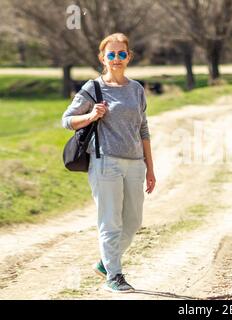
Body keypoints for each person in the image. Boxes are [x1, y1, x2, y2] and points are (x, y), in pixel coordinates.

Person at [62, 33, 156, 293]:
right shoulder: (93, 88)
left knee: (134, 221)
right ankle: (114, 276)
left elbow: (143, 129)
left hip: (135, 164)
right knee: (110, 222)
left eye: (121, 54)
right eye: (111, 54)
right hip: (106, 163)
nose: (116, 59)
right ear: (102, 58)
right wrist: (91, 115)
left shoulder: (136, 89)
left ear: (129, 56)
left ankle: (106, 263)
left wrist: (150, 168)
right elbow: (67, 120)